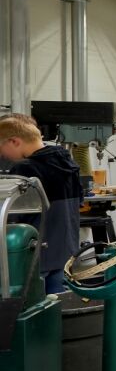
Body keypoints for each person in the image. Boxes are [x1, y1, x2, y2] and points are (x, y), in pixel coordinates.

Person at [0, 114, 82, 294]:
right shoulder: (68, 162)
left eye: (1, 148)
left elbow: (11, 215)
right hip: (65, 254)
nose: (2, 155)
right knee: (58, 304)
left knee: (32, 306)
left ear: (14, 141)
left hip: (34, 258)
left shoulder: (24, 169)